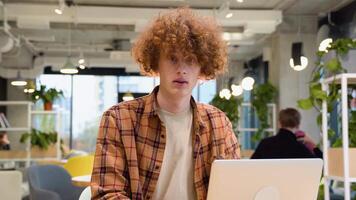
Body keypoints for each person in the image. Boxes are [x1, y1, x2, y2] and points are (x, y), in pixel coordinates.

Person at [91, 7, 240, 200]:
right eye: (172, 59)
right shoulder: (119, 119)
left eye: (191, 61)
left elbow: (234, 190)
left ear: (202, 67)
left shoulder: (219, 123)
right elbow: (106, 194)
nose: (182, 70)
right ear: (156, 63)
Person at [251, 108, 322, 159]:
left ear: (279, 123)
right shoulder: (300, 148)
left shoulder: (265, 144)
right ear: (298, 125)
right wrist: (312, 144)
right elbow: (320, 165)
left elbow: (251, 165)